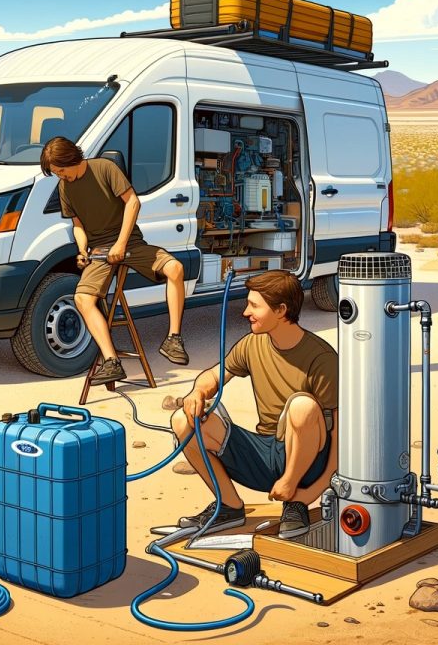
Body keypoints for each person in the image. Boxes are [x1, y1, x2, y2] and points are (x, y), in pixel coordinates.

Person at [170, 270, 338, 539]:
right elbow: (214, 374)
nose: (246, 312)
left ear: (281, 310)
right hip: (263, 453)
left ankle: (294, 506)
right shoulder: (252, 344)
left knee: (301, 405)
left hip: (306, 462)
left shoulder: (322, 357)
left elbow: (339, 438)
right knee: (182, 420)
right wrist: (198, 392)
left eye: (254, 306)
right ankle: (229, 506)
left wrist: (307, 494)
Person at [40, 136, 189, 385]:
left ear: (71, 158)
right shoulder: (65, 188)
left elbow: (133, 202)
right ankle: (111, 362)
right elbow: (77, 224)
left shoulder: (105, 168)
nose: (61, 177)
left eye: (61, 171)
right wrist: (82, 249)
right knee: (82, 299)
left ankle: (174, 339)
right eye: (56, 174)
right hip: (99, 250)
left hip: (129, 242)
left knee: (175, 268)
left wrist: (121, 243)